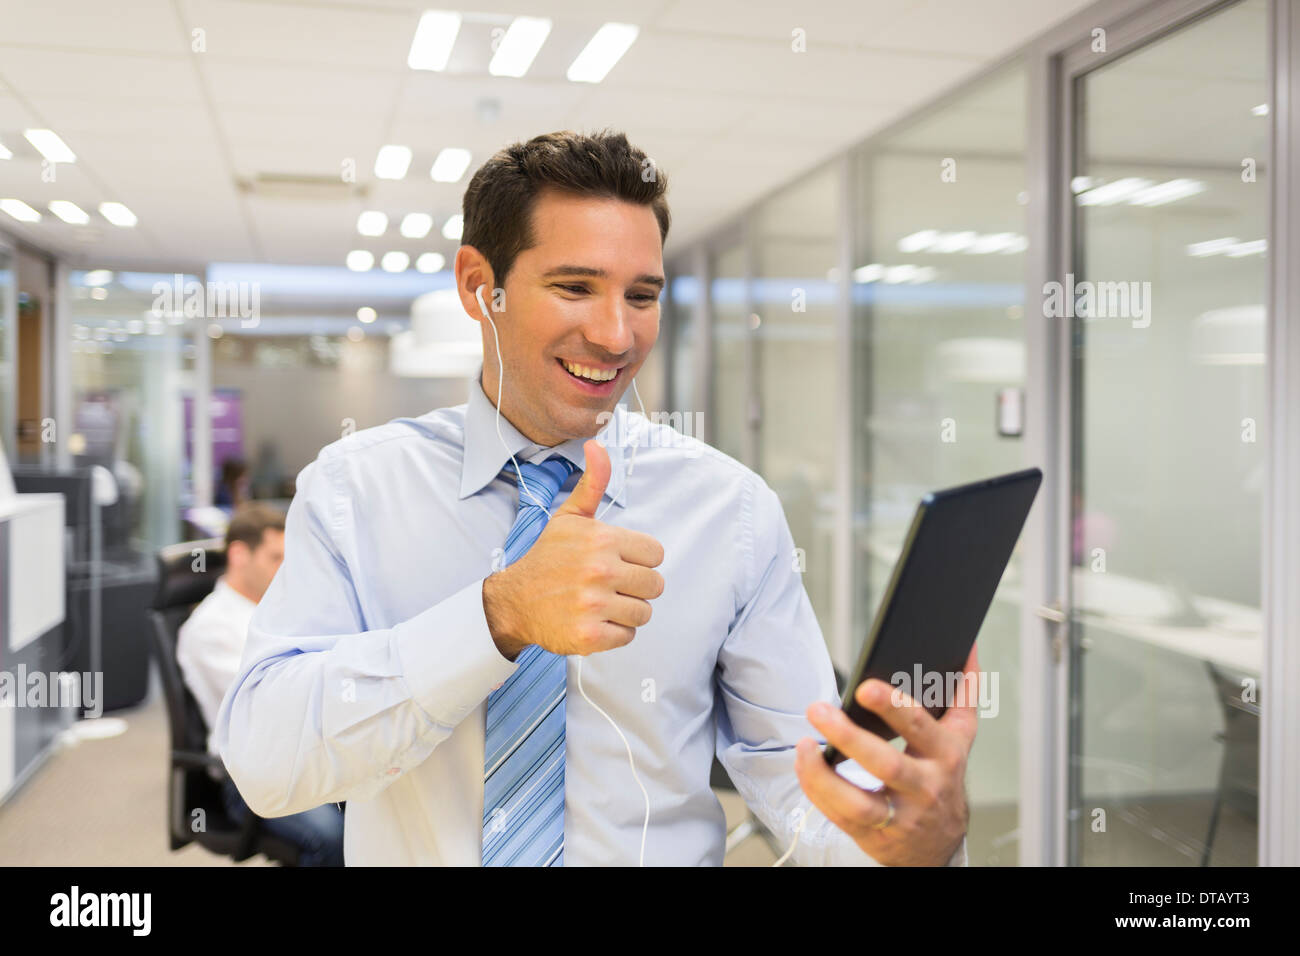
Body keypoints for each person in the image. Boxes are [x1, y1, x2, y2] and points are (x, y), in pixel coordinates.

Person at [216, 129, 973, 866]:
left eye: (641, 295)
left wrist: (900, 844)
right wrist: (497, 616)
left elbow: (796, 769)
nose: (615, 336)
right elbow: (267, 765)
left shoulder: (730, 509)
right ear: (481, 287)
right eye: (575, 287)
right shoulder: (356, 489)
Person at [177, 502, 344, 866]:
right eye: (275, 558)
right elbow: (272, 708)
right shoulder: (212, 627)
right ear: (239, 554)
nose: (286, 569)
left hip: (303, 755)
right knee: (336, 837)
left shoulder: (275, 611)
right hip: (251, 774)